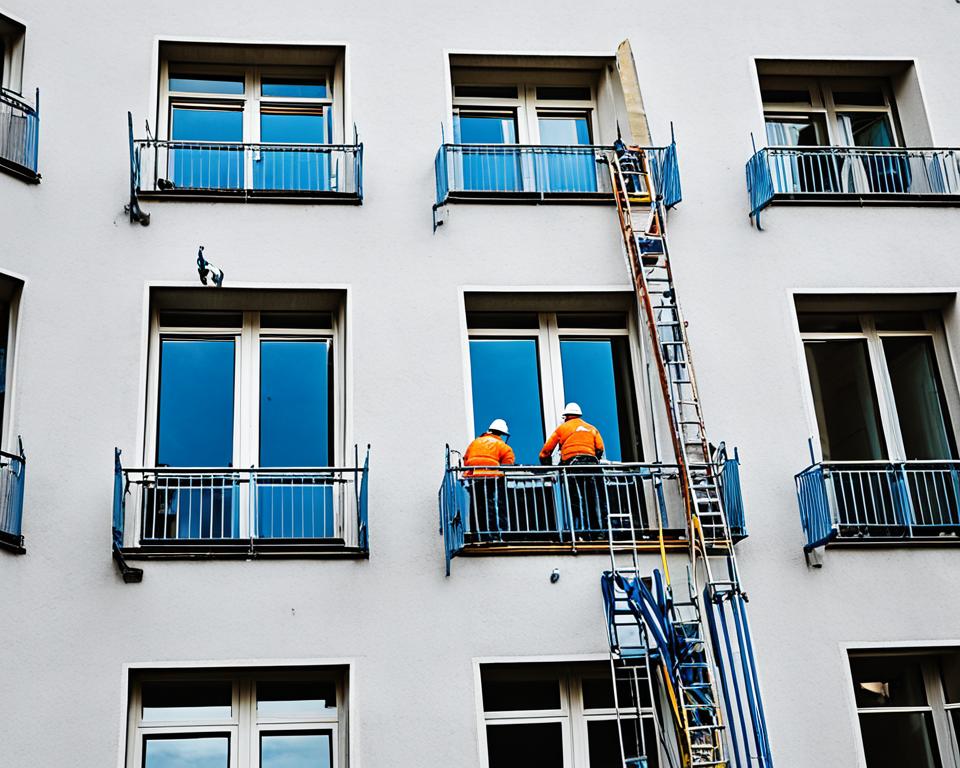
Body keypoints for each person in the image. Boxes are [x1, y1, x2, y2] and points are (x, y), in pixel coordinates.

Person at [539, 403, 606, 535]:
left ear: (566, 416)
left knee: (576, 498)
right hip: (592, 464)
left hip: (573, 465)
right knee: (594, 498)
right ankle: (598, 531)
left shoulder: (562, 429)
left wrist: (547, 466)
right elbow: (600, 448)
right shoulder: (591, 428)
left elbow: (545, 452)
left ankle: (580, 532)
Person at [464, 419, 515, 541]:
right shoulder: (503, 446)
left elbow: (466, 460)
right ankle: (495, 535)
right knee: (492, 506)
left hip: (474, 479)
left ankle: (476, 534)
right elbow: (508, 465)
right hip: (492, 479)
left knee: (476, 507)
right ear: (501, 434)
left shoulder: (474, 443)